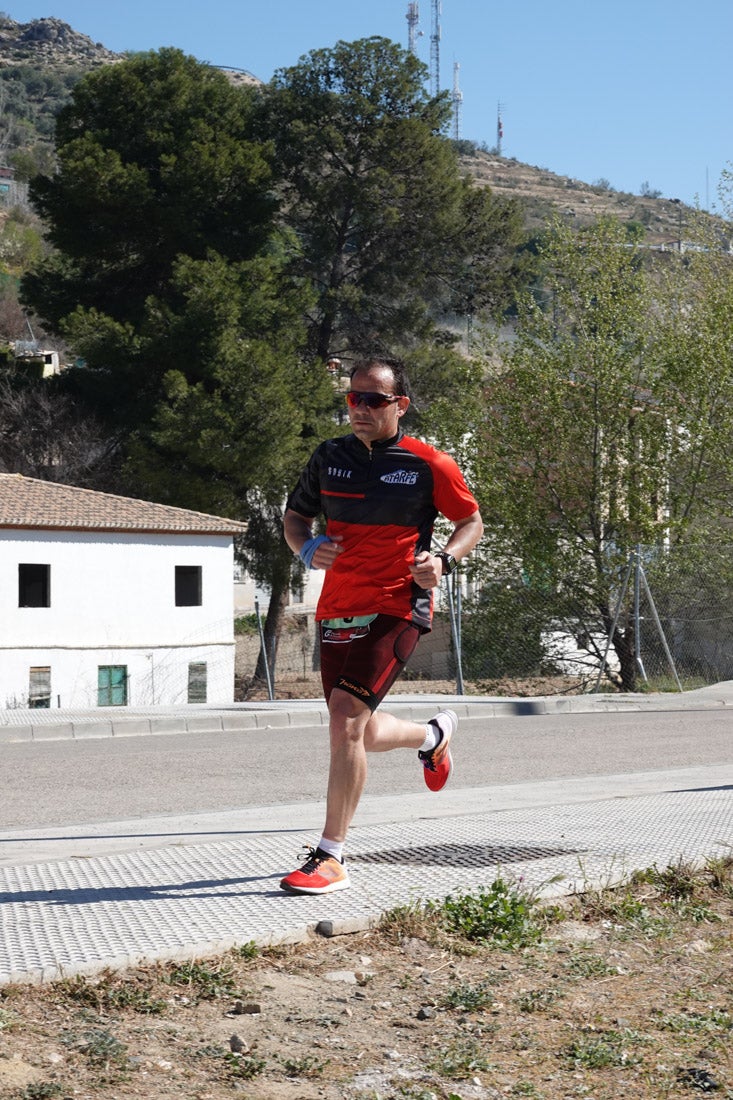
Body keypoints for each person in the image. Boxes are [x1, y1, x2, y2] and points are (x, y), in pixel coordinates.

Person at [280, 355, 483, 894]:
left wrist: (444, 559)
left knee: (344, 719)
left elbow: (471, 522)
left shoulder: (429, 464)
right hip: (337, 608)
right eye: (353, 398)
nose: (360, 409)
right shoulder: (328, 457)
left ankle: (330, 855)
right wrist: (307, 548)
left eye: (373, 399)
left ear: (400, 405)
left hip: (399, 605)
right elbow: (294, 518)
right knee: (360, 730)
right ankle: (432, 735)